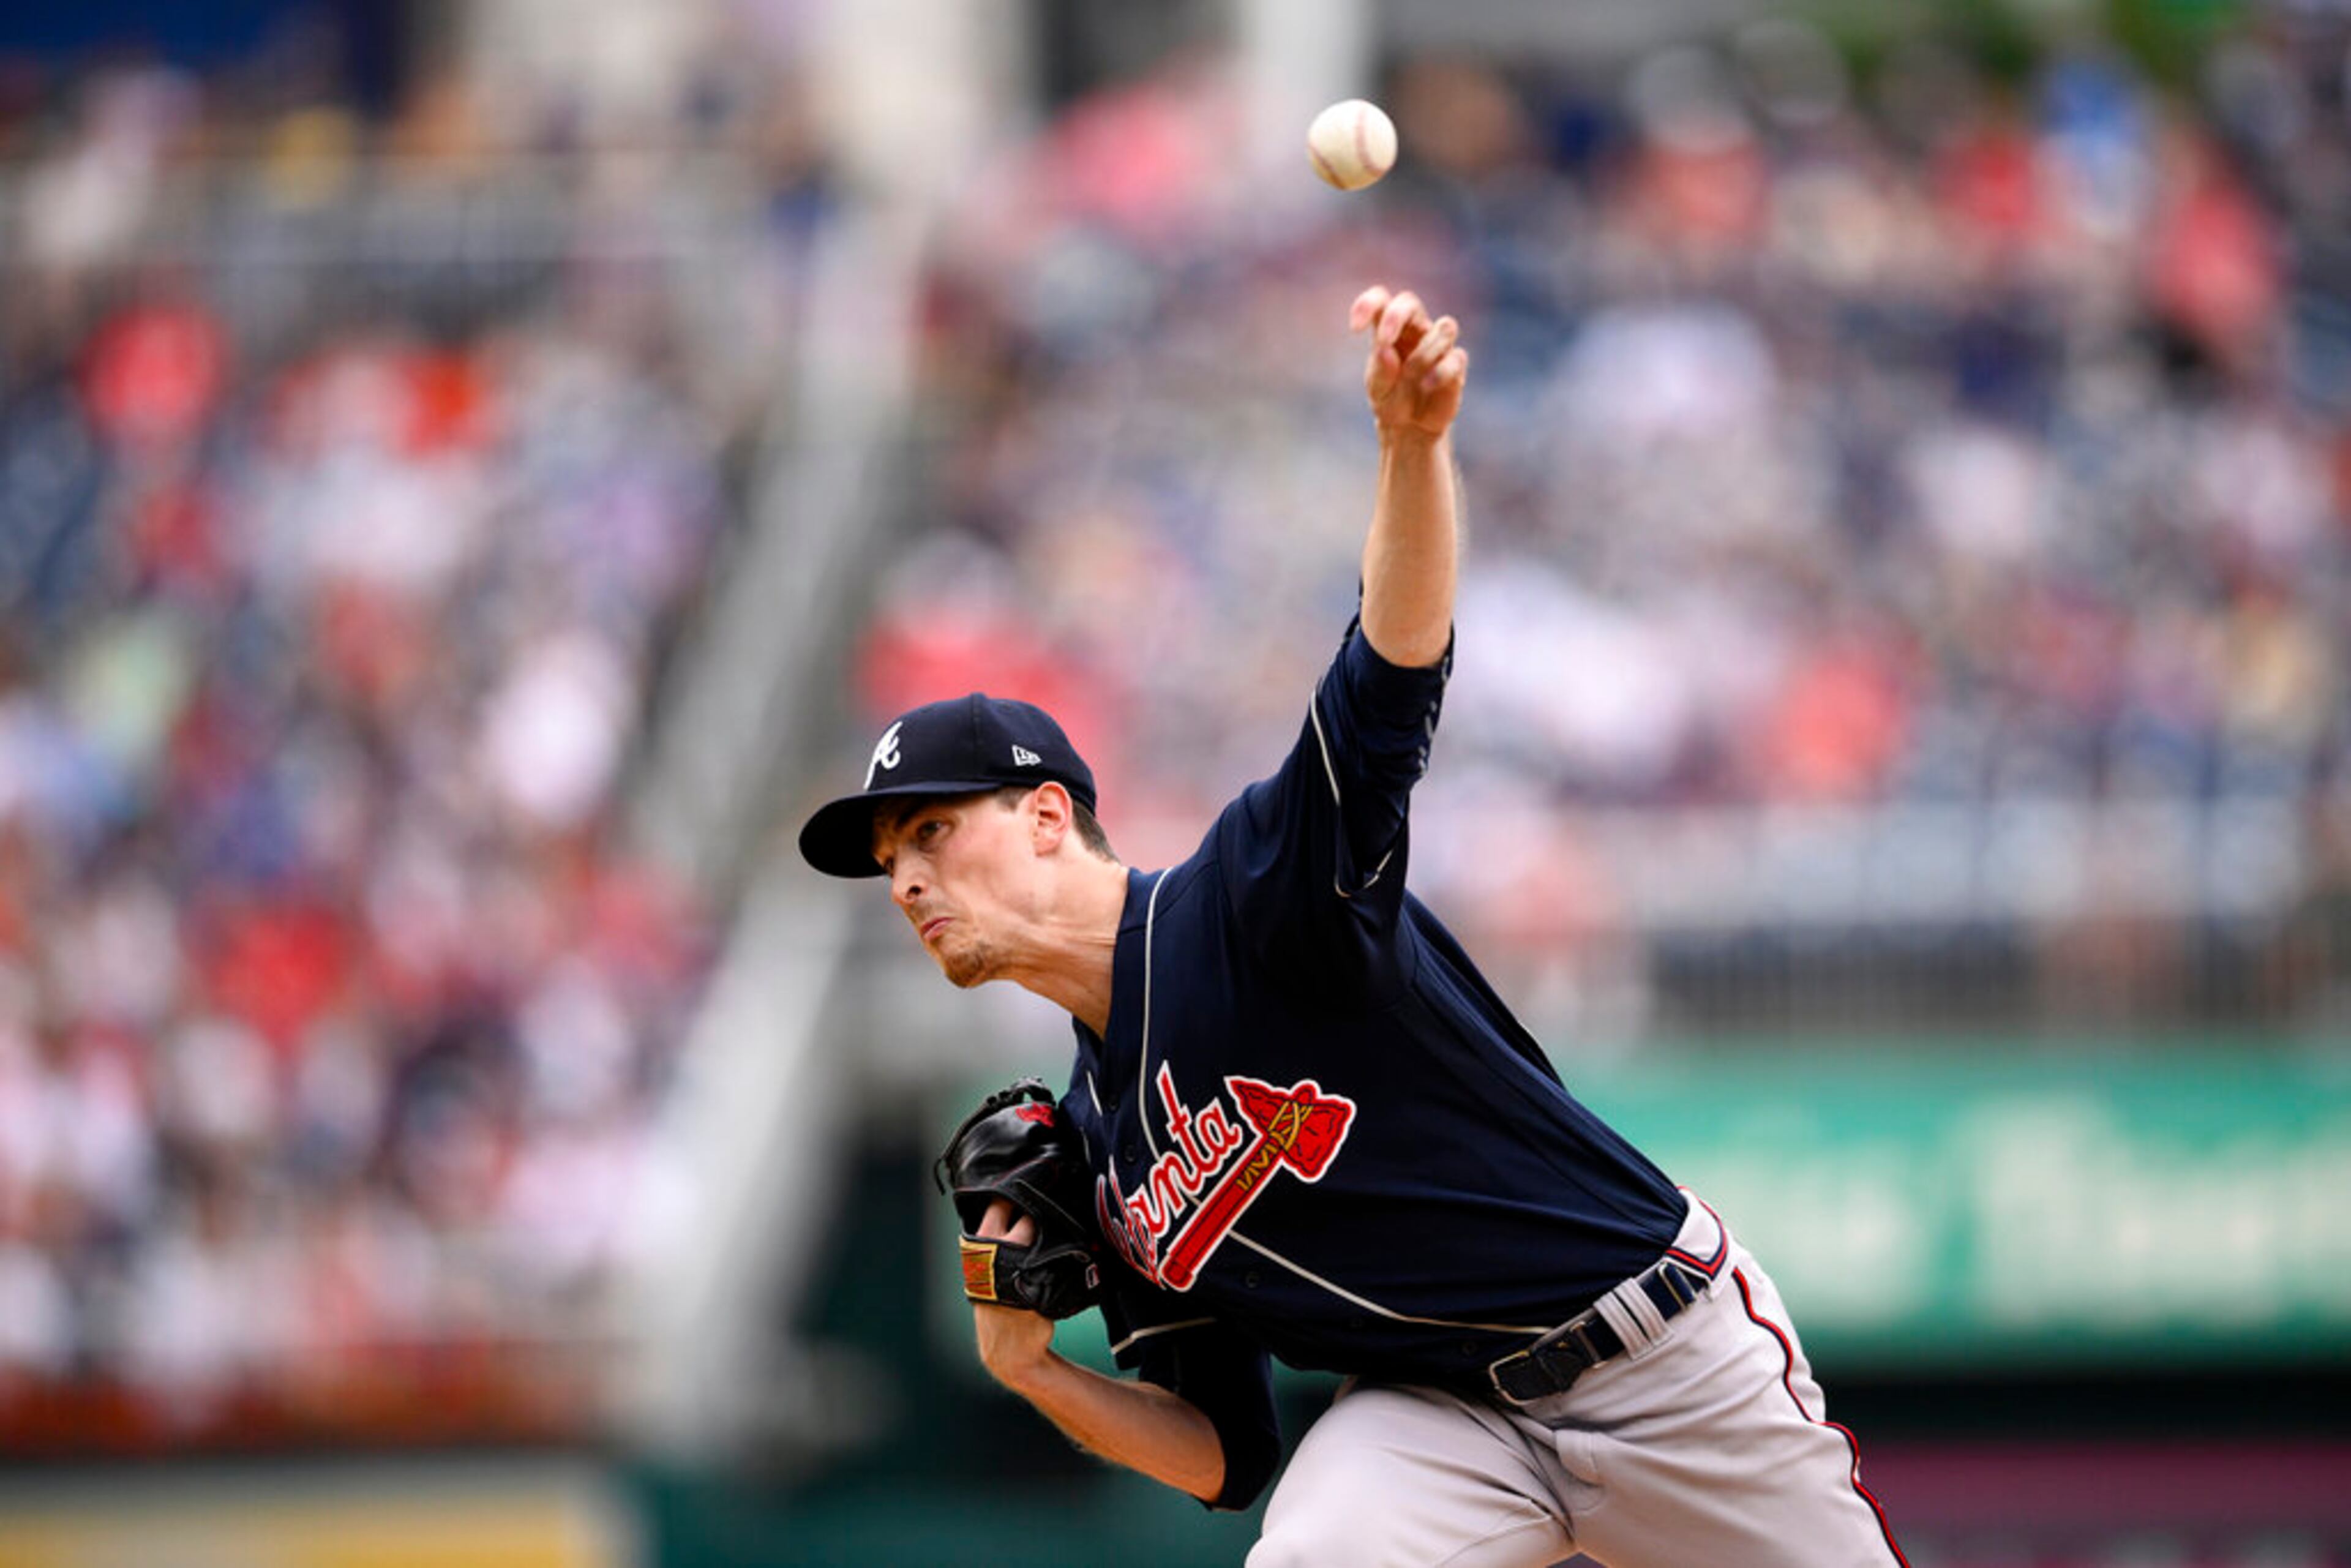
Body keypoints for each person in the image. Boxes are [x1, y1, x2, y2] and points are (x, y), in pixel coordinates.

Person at [798, 285, 1907, 1567]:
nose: (908, 879)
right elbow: (1224, 1455)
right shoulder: (1100, 1148)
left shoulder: (1250, 897)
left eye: (934, 831)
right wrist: (1030, 1366)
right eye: (889, 859)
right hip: (1438, 1426)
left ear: (1050, 816)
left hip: (1654, 1358)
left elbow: (1390, 679)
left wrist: (1413, 447)